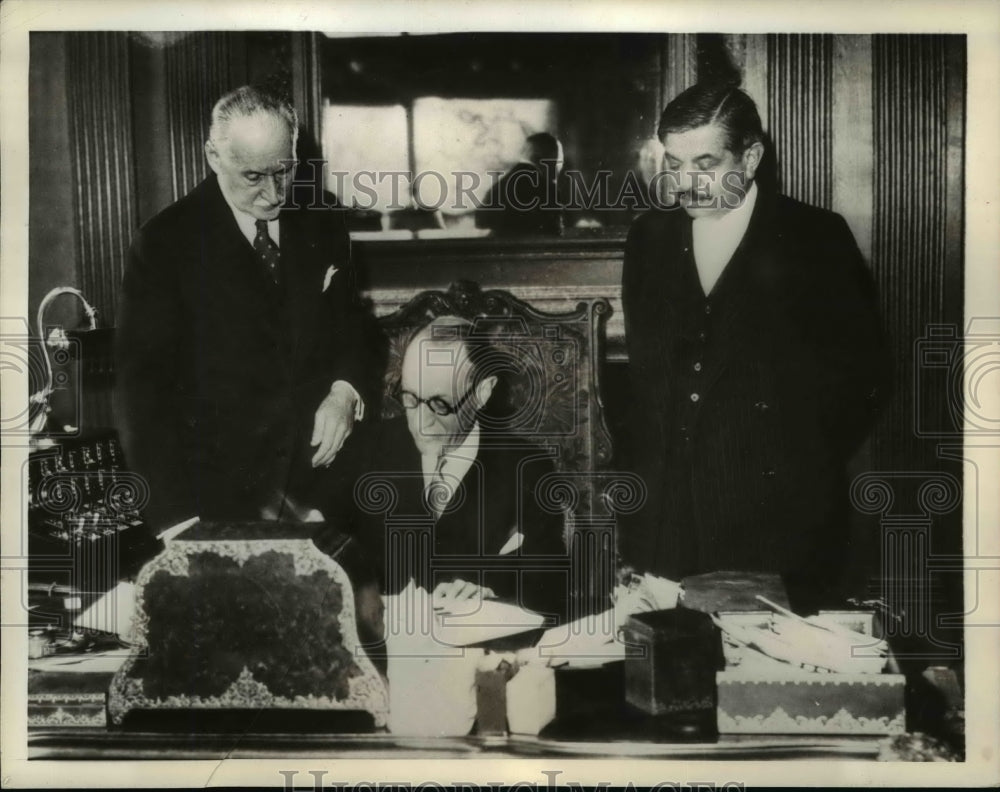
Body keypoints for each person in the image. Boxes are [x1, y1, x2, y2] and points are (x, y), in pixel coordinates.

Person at [621, 82, 887, 606]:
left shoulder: (815, 238)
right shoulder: (647, 239)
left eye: (706, 163)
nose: (687, 184)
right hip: (670, 526)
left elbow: (865, 380)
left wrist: (789, 462)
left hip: (778, 525)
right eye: (674, 164)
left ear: (751, 157)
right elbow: (648, 380)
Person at [117, 85, 379, 533]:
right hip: (217, 501)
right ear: (214, 157)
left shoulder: (323, 220)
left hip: (323, 488)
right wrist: (179, 521)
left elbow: (354, 326)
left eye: (285, 170)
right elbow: (144, 395)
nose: (274, 193)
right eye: (254, 176)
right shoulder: (164, 243)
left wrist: (344, 392)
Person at [314, 316, 568, 621]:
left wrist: (491, 594)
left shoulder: (527, 468)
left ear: (482, 392)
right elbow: (317, 560)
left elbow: (551, 588)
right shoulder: (364, 450)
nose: (421, 423)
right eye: (410, 398)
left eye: (439, 405)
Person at [475, 132, 566, 236]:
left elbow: (480, 221)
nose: (559, 166)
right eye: (557, 159)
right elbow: (555, 233)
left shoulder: (501, 185)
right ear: (549, 157)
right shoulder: (548, 189)